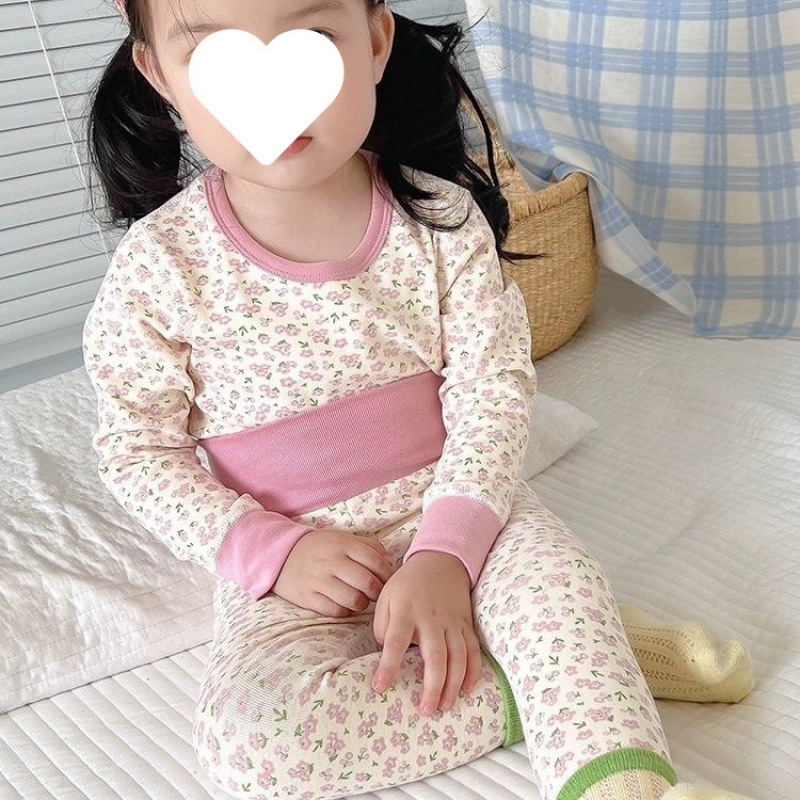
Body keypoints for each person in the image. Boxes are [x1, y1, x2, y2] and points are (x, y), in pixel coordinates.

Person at [82, 1, 757, 798]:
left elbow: (492, 388)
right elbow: (138, 451)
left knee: (558, 586)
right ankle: (567, 671)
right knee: (251, 743)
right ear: (159, 73)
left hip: (464, 510)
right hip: (298, 566)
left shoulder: (439, 219)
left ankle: (604, 729)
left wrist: (446, 550)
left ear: (374, 41)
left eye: (308, 41)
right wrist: (272, 551)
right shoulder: (158, 268)